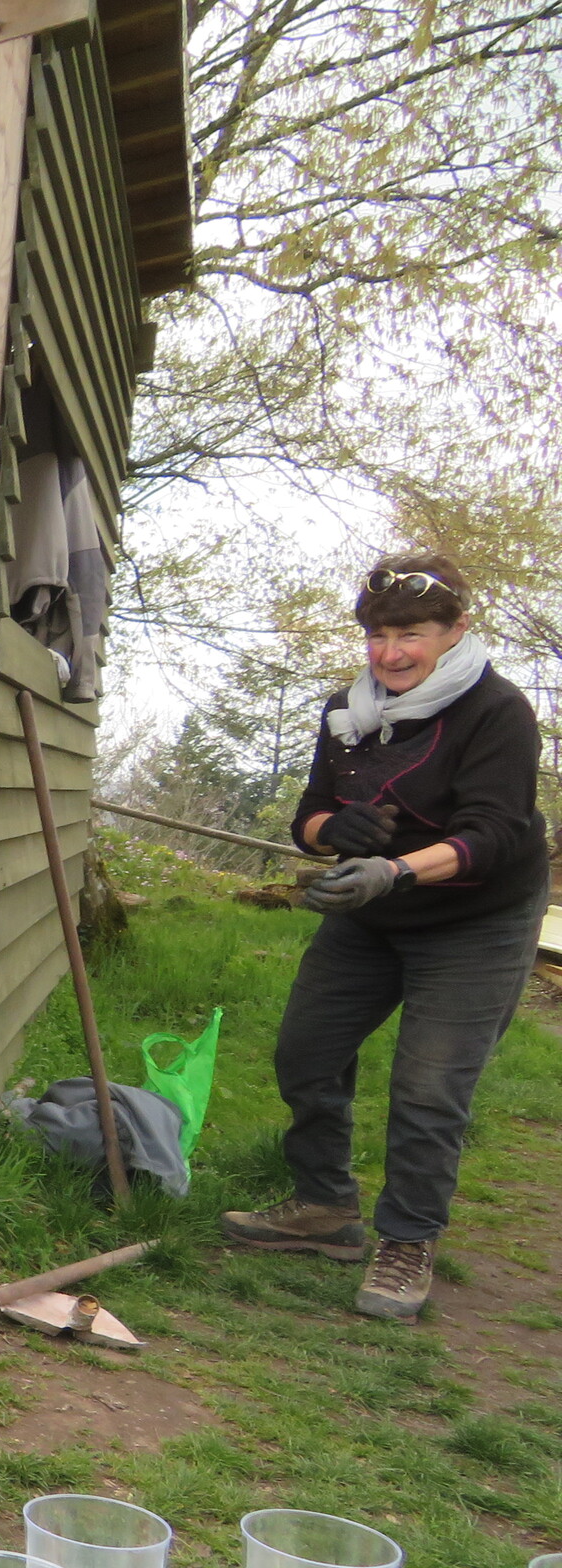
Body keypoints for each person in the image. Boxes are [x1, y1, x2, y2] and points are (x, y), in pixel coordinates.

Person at [221, 552, 550, 1320]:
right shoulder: (349, 711)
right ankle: (324, 1207)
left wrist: (394, 870)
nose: (391, 653)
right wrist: (334, 831)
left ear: (455, 630)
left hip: (477, 922)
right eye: (377, 635)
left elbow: (494, 833)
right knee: (306, 1054)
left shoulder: (496, 710)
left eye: (411, 634)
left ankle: (408, 1241)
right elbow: (309, 816)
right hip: (373, 916)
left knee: (430, 1089)